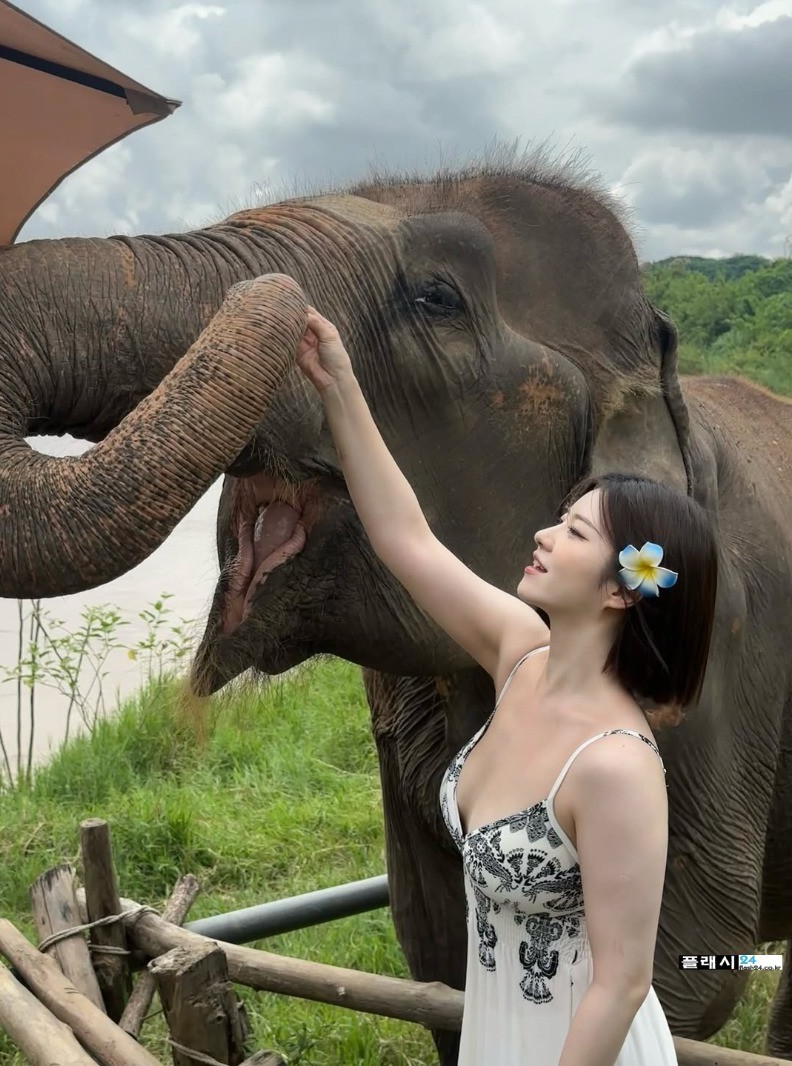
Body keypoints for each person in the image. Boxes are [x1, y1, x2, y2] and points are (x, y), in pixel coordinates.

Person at [296, 307, 718, 1066]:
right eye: (562, 518)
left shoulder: (615, 764)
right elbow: (405, 538)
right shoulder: (518, 653)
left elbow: (620, 985)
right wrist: (340, 386)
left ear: (624, 590)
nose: (544, 535)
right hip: (500, 1032)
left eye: (575, 533)